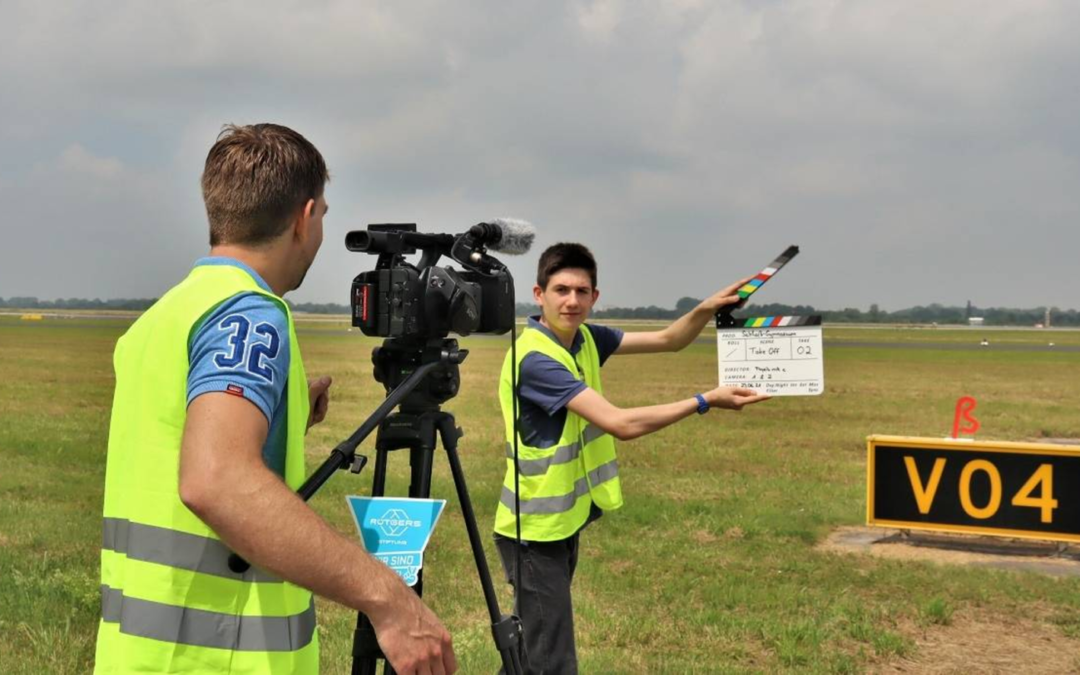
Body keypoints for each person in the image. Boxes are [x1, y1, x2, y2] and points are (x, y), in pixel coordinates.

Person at [94, 123, 456, 675]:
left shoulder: (167, 314)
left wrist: (279, 412)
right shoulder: (249, 313)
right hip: (221, 656)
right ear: (304, 217)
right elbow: (216, 481)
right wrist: (389, 598)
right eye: (324, 216)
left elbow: (176, 441)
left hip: (143, 653)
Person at [493, 242, 769, 674]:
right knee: (552, 661)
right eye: (561, 289)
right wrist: (704, 400)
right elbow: (620, 424)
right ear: (539, 294)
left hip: (559, 522)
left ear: (595, 297)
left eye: (582, 291)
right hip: (534, 532)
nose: (572, 300)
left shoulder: (584, 338)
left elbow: (669, 339)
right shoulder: (535, 359)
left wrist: (706, 307)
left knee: (535, 651)